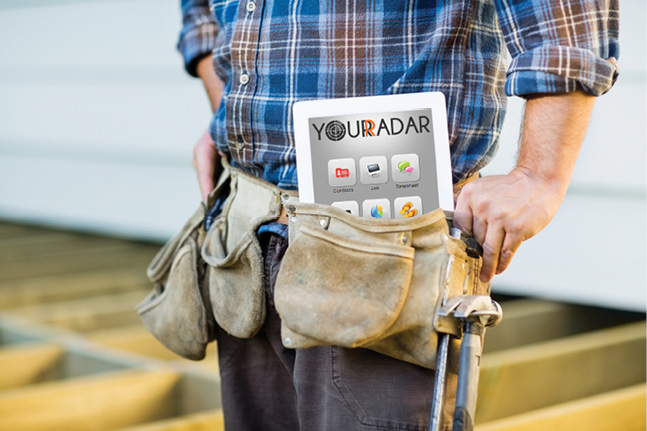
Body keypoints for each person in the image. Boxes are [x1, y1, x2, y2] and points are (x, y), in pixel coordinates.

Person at [177, 1, 619, 429]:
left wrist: (540, 175)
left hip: (389, 241)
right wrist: (230, 112)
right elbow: (199, 15)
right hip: (245, 242)